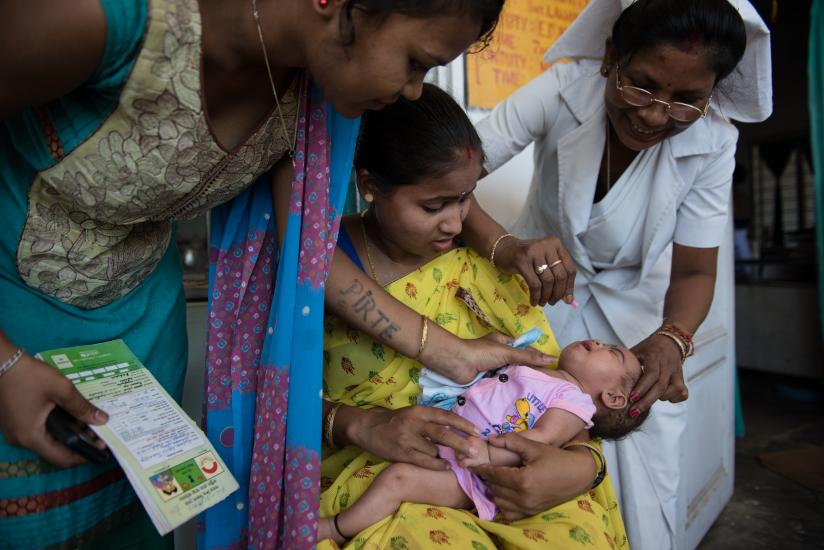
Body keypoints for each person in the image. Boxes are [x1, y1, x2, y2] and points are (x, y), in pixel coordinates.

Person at [0, 1, 544, 548]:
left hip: (138, 334)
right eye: (415, 61)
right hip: (14, 324)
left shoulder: (310, 87)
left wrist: (451, 352)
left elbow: (310, 258)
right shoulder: (104, 18)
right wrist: (5, 363)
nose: (412, 91)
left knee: (130, 525)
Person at [472, 0, 772, 547]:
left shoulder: (714, 141)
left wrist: (673, 339)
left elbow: (695, 272)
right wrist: (505, 246)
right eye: (640, 86)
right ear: (611, 55)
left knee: (646, 446)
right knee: (511, 428)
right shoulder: (564, 89)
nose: (656, 115)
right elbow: (450, 174)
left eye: (688, 101)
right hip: (531, 293)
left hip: (638, 313)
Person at [318, 83, 628, 550]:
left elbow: (560, 393)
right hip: (393, 466)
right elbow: (279, 404)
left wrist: (582, 463)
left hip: (513, 468)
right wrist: (362, 425)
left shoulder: (479, 267)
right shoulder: (324, 262)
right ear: (369, 186)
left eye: (466, 198)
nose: (455, 223)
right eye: (433, 206)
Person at [319, 336, 648, 545]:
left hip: (472, 474)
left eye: (613, 353)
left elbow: (539, 441)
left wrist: (488, 454)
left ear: (614, 398)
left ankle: (336, 529)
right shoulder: (541, 366)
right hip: (453, 441)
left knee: (397, 479)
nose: (599, 343)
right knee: (394, 463)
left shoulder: (574, 401)